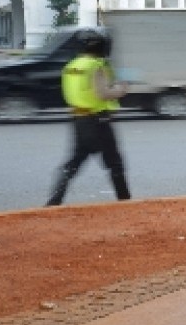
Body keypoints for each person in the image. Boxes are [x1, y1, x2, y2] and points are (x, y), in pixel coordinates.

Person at [46, 29, 131, 206]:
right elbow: (102, 93)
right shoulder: (95, 66)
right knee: (115, 163)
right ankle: (126, 202)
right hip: (97, 121)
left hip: (78, 119)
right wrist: (120, 90)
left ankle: (54, 200)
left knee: (75, 161)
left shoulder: (73, 65)